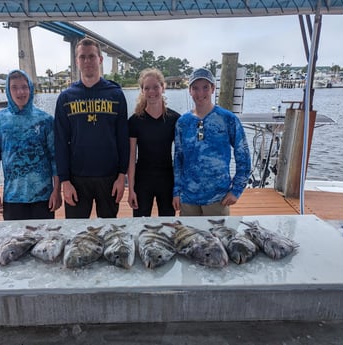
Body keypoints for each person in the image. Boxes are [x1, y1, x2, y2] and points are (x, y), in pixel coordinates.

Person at [54, 38, 129, 219]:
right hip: (77, 178)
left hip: (109, 176)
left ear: (100, 60)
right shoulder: (66, 98)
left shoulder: (115, 95)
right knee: (76, 232)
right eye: (83, 57)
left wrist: (121, 176)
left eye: (91, 56)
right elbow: (60, 142)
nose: (87, 61)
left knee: (109, 231)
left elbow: (123, 138)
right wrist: (65, 180)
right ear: (77, 61)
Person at [173, 68, 251, 216]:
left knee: (218, 239)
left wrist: (236, 190)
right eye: (195, 88)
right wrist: (176, 191)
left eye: (205, 87)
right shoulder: (182, 122)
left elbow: (243, 155)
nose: (200, 93)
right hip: (188, 198)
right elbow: (178, 159)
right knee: (189, 238)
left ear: (213, 89)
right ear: (189, 91)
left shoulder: (228, 119)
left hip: (218, 198)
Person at [0, 69, 61, 220]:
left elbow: (55, 158)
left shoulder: (46, 120)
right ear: (8, 90)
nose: (20, 92)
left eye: (24, 87)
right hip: (13, 197)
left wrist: (57, 191)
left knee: (44, 240)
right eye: (14, 87)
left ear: (30, 89)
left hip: (43, 197)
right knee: (15, 241)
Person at [127, 68, 180, 217]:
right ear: (142, 91)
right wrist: (131, 189)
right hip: (143, 180)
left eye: (156, 87)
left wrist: (178, 189)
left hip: (167, 179)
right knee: (140, 224)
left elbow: (180, 156)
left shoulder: (175, 119)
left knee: (168, 225)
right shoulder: (135, 121)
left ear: (163, 87)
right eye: (147, 88)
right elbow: (131, 158)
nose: (152, 91)